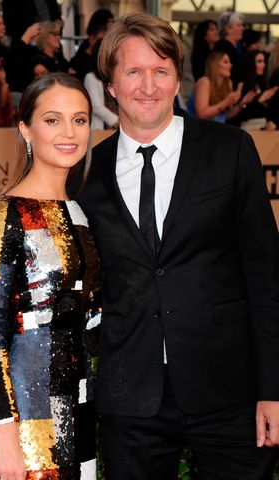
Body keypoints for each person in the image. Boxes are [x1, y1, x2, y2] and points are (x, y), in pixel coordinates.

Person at [77, 12, 279, 480]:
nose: (148, 85)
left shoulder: (230, 150)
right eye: (133, 71)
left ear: (177, 78)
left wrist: (273, 390)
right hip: (131, 399)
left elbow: (266, 277)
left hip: (230, 392)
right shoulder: (86, 173)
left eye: (161, 71)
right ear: (110, 84)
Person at [0, 72, 99, 479]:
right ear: (26, 129)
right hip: (27, 422)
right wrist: (4, 432)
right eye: (52, 119)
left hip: (79, 407)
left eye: (79, 120)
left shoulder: (78, 212)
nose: (69, 132)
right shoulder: (4, 215)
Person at [187, 51, 255, 122]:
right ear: (215, 64)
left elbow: (225, 116)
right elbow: (201, 114)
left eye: (230, 62)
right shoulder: (205, 82)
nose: (230, 65)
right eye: (226, 62)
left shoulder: (228, 83)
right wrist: (226, 101)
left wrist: (242, 103)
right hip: (196, 127)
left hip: (216, 128)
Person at [84, 39, 119, 129]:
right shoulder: (90, 77)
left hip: (117, 125)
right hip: (101, 128)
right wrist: (116, 120)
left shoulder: (115, 75)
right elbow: (96, 106)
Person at [214, 11, 244, 87]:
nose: (242, 28)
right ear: (228, 29)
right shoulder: (222, 48)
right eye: (239, 25)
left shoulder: (235, 48)